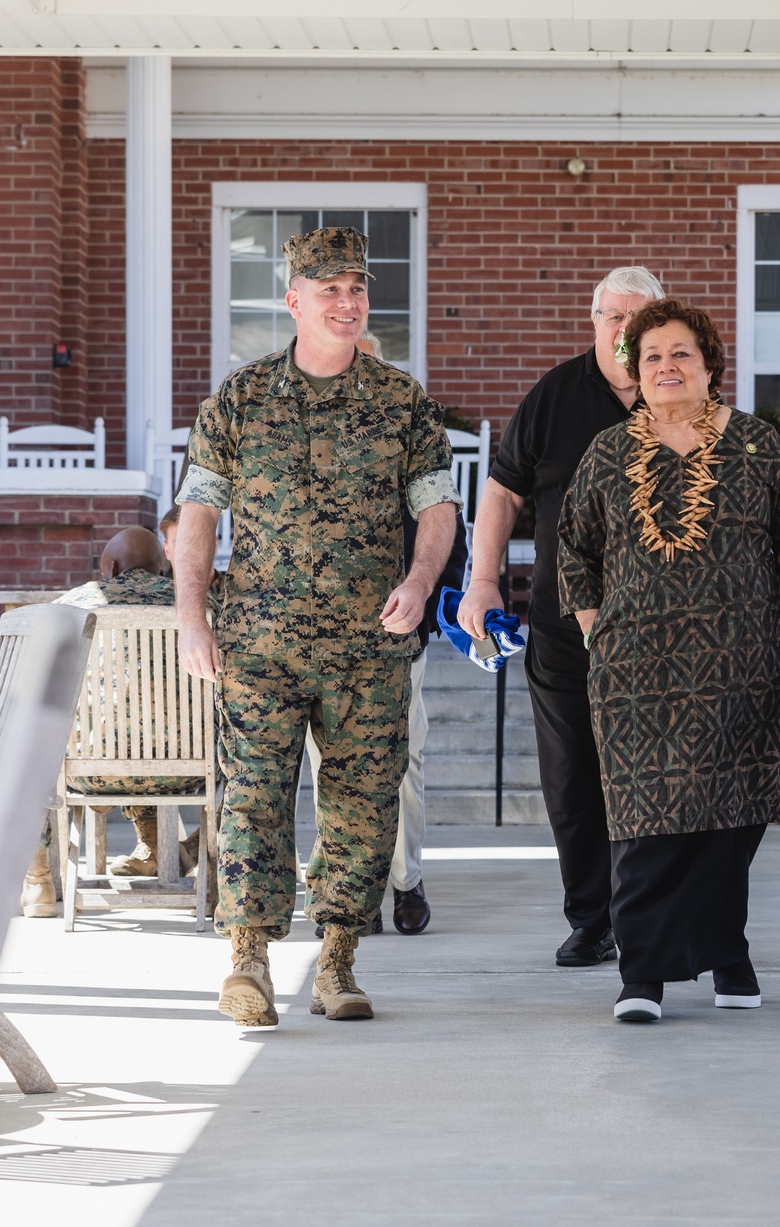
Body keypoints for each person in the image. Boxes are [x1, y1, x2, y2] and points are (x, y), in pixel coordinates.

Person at [174, 225, 461, 1028]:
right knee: (255, 796)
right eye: (329, 289)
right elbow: (197, 514)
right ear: (293, 299)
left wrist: (418, 579)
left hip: (368, 644)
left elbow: (437, 506)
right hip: (259, 642)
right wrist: (191, 616)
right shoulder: (239, 399)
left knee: (363, 802)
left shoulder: (402, 403)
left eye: (357, 288)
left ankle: (337, 958)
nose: (347, 301)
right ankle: (250, 961)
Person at [557, 299, 780, 1022]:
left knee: (731, 816)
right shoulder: (607, 453)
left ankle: (727, 952)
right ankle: (643, 976)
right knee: (644, 821)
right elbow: (574, 554)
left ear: (709, 364)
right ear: (635, 372)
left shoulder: (757, 446)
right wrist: (602, 634)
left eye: (680, 352)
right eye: (651, 356)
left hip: (741, 667)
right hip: (634, 676)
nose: (666, 367)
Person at [458, 266, 663, 967]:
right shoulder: (553, 395)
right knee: (573, 779)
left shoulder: (684, 395)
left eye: (641, 319)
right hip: (561, 628)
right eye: (614, 317)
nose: (627, 332)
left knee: (653, 775)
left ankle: (647, 917)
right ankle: (591, 918)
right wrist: (482, 581)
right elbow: (502, 491)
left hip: (662, 635)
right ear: (594, 320)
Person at [305, 329, 469, 937]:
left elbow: (450, 535)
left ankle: (405, 881)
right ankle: (352, 892)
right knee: (330, 764)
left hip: (396, 636)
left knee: (403, 760)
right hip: (318, 641)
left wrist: (423, 606)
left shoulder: (410, 434)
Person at [18, 526, 200, 917]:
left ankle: (38, 882)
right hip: (187, 772)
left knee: (29, 739)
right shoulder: (196, 608)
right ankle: (210, 870)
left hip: (88, 772)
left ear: (110, 567)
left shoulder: (71, 605)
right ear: (162, 569)